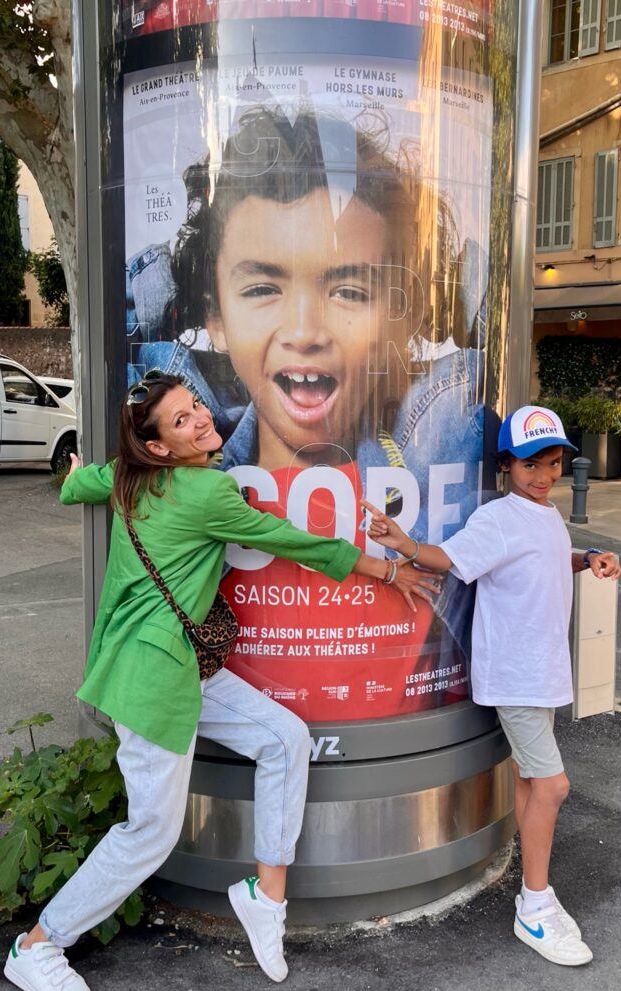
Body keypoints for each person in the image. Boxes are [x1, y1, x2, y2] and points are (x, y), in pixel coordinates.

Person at [3, 372, 434, 991]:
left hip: (180, 668)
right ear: (160, 449)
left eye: (194, 406)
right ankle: (38, 945)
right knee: (150, 832)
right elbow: (298, 544)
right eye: (181, 421)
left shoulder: (125, 478)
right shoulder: (207, 491)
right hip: (154, 679)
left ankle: (265, 898)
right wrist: (388, 568)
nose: (201, 419)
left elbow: (83, 484)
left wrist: (71, 480)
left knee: (284, 738)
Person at [126, 106, 490, 717]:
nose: (304, 331)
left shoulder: (436, 442)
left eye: (348, 290)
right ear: (214, 316)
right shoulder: (189, 468)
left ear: (400, 315)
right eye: (262, 288)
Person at [362, 404, 621, 967]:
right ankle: (534, 905)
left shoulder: (542, 514)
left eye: (554, 462)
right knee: (552, 787)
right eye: (532, 464)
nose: (545, 474)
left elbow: (550, 557)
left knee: (533, 783)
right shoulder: (500, 516)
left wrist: (591, 557)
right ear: (505, 465)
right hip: (517, 677)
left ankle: (533, 884)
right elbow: (451, 559)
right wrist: (404, 545)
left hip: (541, 673)